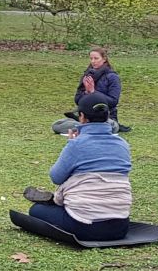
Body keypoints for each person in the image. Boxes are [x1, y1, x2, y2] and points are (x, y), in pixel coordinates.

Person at [26, 93, 133, 241]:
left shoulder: (77, 145)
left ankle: (59, 202)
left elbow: (56, 177)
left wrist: (70, 146)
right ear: (107, 116)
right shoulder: (123, 144)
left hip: (85, 225)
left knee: (36, 210)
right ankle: (62, 202)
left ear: (82, 117)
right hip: (120, 227)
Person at [52, 47, 128, 135]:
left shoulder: (112, 77)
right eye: (91, 58)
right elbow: (77, 100)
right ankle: (88, 127)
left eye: (96, 58)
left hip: (105, 118)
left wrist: (93, 92)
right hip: (85, 117)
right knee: (57, 125)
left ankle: (85, 128)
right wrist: (86, 93)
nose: (93, 61)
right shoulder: (87, 75)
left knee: (112, 126)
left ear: (104, 59)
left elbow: (113, 101)